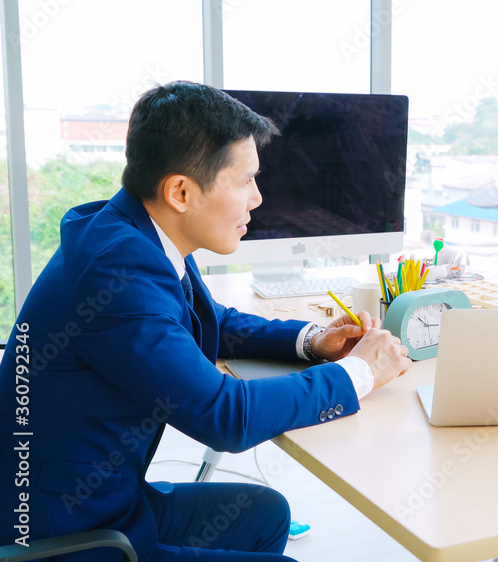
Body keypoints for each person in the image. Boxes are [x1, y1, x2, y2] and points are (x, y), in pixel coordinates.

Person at [0, 81, 412, 561]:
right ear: (180, 191)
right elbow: (226, 416)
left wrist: (313, 340)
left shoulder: (132, 229)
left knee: (264, 513)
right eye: (245, 181)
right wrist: (358, 372)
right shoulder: (118, 270)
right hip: (65, 535)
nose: (256, 199)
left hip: (108, 500)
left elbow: (209, 318)